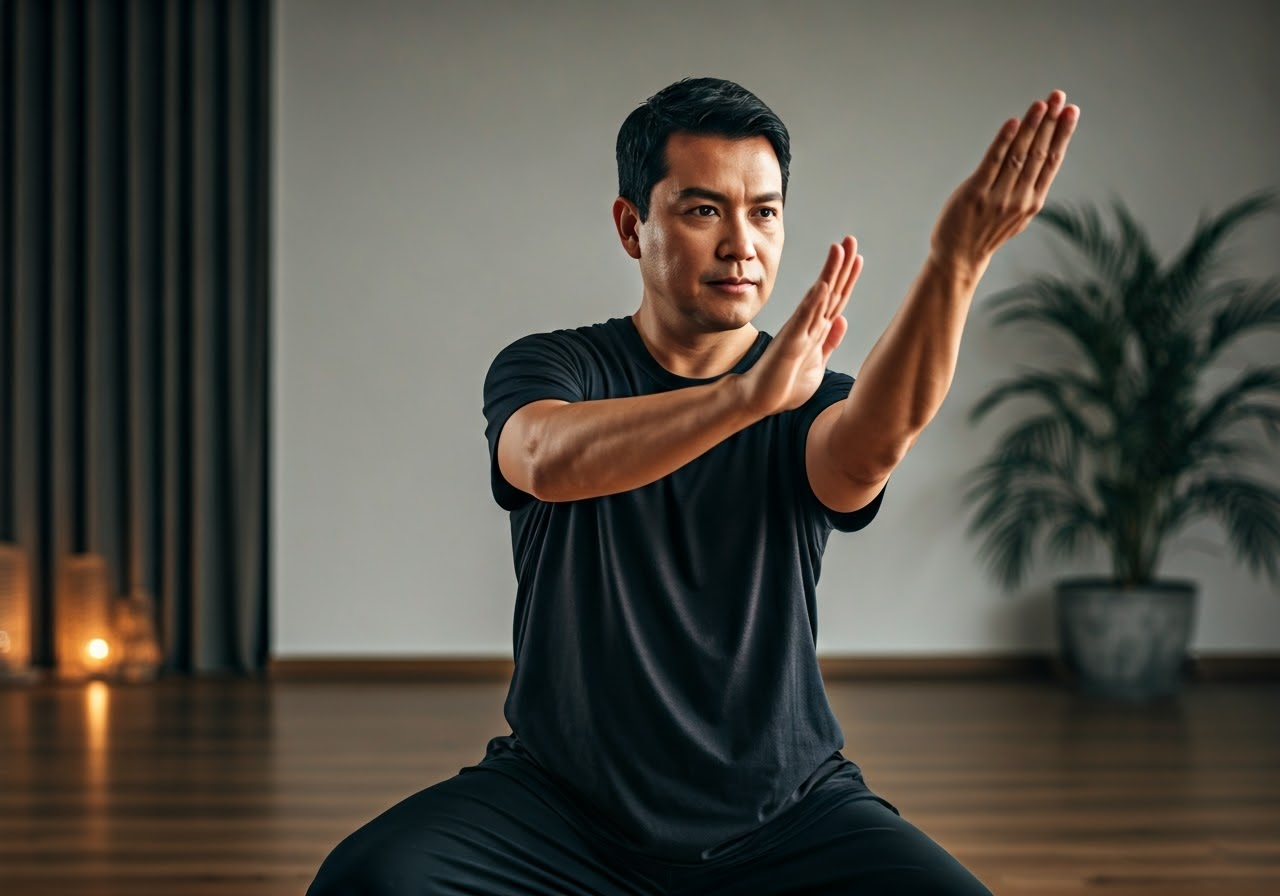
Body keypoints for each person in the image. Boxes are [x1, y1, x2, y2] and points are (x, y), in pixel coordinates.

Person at [308, 77, 1078, 895]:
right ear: (630, 226)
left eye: (765, 212)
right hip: (562, 813)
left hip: (786, 816)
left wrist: (955, 262)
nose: (742, 243)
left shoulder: (812, 396)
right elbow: (544, 459)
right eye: (703, 210)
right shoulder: (556, 366)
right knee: (366, 882)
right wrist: (741, 399)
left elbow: (866, 453)